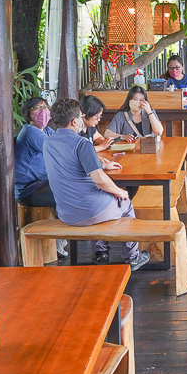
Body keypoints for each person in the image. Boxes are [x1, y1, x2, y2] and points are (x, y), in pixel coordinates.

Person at [42, 98, 150, 270]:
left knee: (107, 199)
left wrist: (101, 165)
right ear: (74, 121)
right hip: (89, 210)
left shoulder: (48, 142)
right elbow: (100, 180)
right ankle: (133, 257)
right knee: (125, 203)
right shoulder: (81, 143)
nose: (81, 118)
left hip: (65, 212)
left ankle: (101, 254)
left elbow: (72, 164)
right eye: (80, 116)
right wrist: (120, 193)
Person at [15, 97, 56, 208]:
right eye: (37, 108)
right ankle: (57, 225)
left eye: (45, 107)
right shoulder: (30, 131)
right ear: (28, 113)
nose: (42, 111)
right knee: (69, 195)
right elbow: (58, 151)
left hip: (42, 182)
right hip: (29, 189)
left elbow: (63, 144)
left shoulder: (46, 130)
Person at [163, 54, 187, 133]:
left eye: (177, 67)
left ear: (182, 67)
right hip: (170, 111)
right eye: (171, 67)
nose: (174, 70)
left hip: (186, 111)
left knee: (186, 130)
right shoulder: (164, 80)